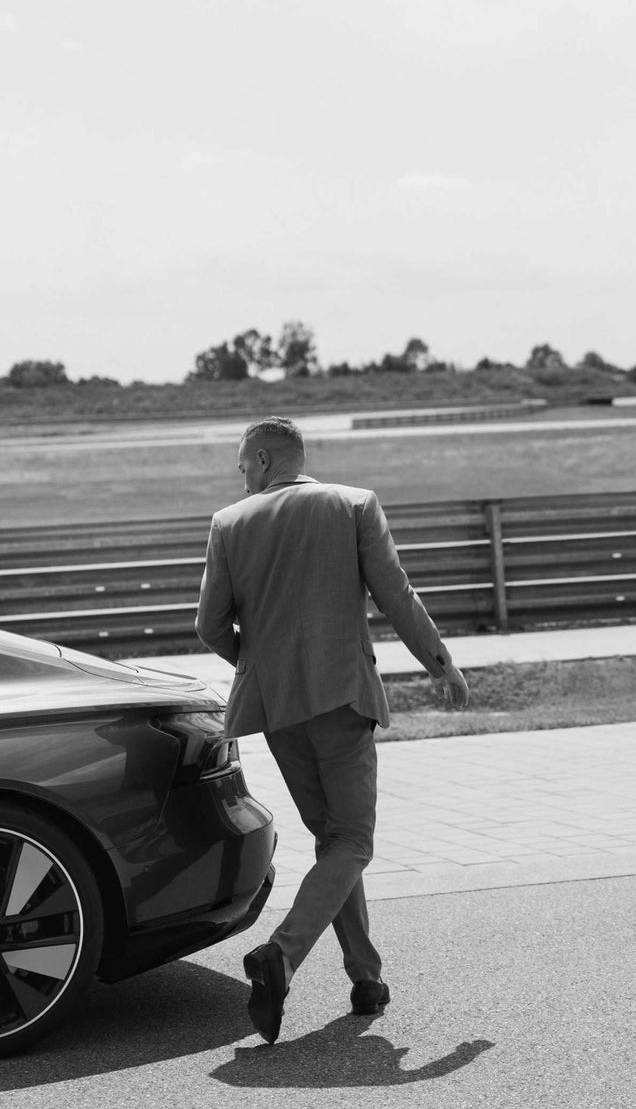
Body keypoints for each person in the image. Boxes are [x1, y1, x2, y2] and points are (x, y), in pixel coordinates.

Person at [196, 415, 469, 1045]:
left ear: (264, 460)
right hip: (343, 699)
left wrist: (266, 670)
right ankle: (282, 956)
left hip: (278, 711)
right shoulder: (353, 505)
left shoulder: (229, 525)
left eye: (243, 465)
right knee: (353, 840)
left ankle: (366, 979)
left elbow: (210, 627)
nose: (240, 477)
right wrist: (441, 663)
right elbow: (395, 594)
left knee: (334, 841)